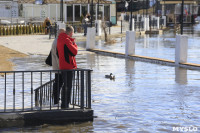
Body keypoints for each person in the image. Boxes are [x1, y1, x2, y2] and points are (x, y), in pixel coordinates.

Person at [57, 26, 78, 109]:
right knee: (68, 86)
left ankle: (63, 104)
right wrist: (74, 43)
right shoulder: (66, 40)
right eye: (72, 33)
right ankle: (66, 104)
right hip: (68, 66)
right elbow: (74, 51)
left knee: (65, 85)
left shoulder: (59, 39)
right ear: (70, 32)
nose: (72, 34)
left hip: (62, 65)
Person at [51, 28, 66, 105]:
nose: (65, 35)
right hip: (58, 67)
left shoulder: (56, 41)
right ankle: (56, 100)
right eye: (64, 33)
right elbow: (58, 56)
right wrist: (61, 67)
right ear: (60, 33)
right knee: (58, 83)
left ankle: (56, 99)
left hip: (57, 67)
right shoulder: (57, 42)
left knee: (58, 83)